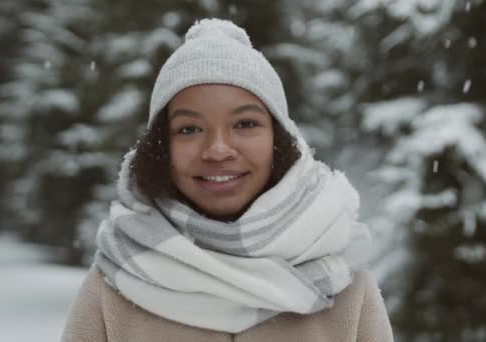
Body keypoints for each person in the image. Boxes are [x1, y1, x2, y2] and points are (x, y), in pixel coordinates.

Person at [61, 18, 394, 342]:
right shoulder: (116, 280)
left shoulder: (343, 276)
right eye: (189, 129)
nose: (218, 150)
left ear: (278, 138)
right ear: (162, 147)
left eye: (245, 124)